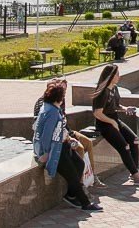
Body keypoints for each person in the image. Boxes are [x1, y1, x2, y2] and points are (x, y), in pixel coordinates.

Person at [34, 82, 102, 211]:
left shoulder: (52, 108)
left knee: (79, 165)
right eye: (63, 95)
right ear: (58, 97)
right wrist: (46, 153)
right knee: (71, 175)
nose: (64, 97)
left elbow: (58, 130)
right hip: (55, 151)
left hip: (62, 145)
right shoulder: (51, 112)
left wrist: (67, 138)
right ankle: (85, 203)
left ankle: (71, 195)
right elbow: (45, 135)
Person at [91, 65, 139, 185]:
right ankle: (137, 175)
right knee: (124, 146)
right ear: (110, 76)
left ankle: (134, 171)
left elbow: (115, 106)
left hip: (114, 119)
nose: (119, 77)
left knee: (134, 139)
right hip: (104, 124)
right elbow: (97, 113)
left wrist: (125, 109)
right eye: (117, 74)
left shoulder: (114, 89)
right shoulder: (102, 92)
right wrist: (112, 122)